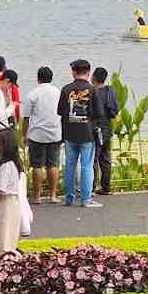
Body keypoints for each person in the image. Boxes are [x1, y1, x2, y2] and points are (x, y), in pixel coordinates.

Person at [57, 59, 103, 208]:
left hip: (69, 133)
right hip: (87, 134)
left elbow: (60, 111)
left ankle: (69, 198)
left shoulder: (65, 89)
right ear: (88, 72)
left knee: (70, 165)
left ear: (73, 72)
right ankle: (85, 199)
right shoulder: (93, 90)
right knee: (86, 166)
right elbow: (99, 113)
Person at [0, 127, 30, 256]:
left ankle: (3, 268)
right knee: (4, 237)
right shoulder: (10, 163)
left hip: (6, 205)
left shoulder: (6, 166)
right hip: (7, 205)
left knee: (4, 240)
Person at [21, 66, 62, 204]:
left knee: (37, 166)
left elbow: (26, 117)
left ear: (38, 78)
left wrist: (24, 135)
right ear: (51, 78)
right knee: (53, 165)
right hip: (55, 133)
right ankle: (53, 195)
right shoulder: (58, 92)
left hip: (37, 134)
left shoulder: (32, 94)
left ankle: (37, 197)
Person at [91, 66, 119, 197]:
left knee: (93, 158)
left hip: (95, 128)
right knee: (106, 158)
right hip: (108, 128)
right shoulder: (110, 91)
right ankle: (106, 187)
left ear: (94, 78)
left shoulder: (93, 92)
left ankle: (91, 187)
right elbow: (114, 112)